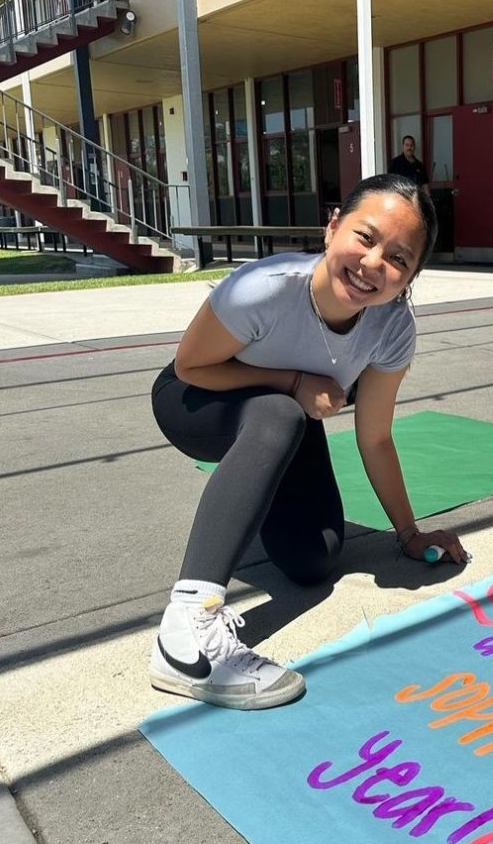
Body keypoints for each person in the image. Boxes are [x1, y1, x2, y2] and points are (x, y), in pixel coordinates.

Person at [149, 174, 467, 710]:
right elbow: (190, 365)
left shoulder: (392, 328)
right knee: (278, 413)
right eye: (365, 238)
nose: (373, 264)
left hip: (284, 417)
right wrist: (294, 383)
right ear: (333, 227)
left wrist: (409, 533)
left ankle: (248, 496)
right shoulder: (265, 286)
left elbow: (376, 437)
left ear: (410, 276)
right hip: (196, 399)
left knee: (315, 559)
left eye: (398, 258)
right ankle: (185, 633)